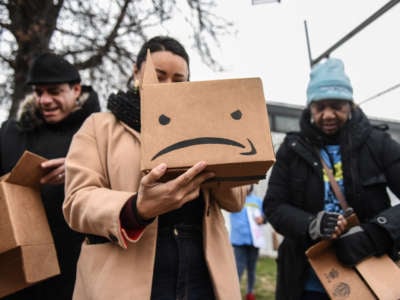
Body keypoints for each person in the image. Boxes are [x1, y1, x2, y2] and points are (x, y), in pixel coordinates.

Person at [62, 36, 246, 300]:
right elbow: (76, 201)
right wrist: (136, 208)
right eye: (159, 76)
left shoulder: (204, 127)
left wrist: (219, 150)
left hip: (202, 274)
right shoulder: (99, 127)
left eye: (178, 79)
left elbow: (236, 201)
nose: (168, 86)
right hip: (124, 276)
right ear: (136, 71)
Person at [263, 57, 400, 300]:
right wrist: (310, 224)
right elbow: (273, 206)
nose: (328, 114)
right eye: (319, 107)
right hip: (304, 282)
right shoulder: (292, 148)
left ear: (351, 105)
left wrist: (375, 233)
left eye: (337, 105)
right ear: (309, 108)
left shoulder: (378, 144)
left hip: (369, 276)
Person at [0, 53, 100, 299]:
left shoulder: (99, 134)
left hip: (76, 270)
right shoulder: (11, 132)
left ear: (76, 90)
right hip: (16, 272)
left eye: (54, 91)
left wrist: (80, 168)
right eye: (39, 92)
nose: (44, 100)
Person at [230, 184, 265, 300]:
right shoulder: (234, 199)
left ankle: (250, 292)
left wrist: (263, 219)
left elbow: (266, 214)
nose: (247, 187)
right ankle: (234, 293)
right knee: (238, 268)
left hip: (254, 241)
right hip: (239, 240)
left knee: (252, 268)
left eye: (249, 184)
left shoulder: (257, 201)